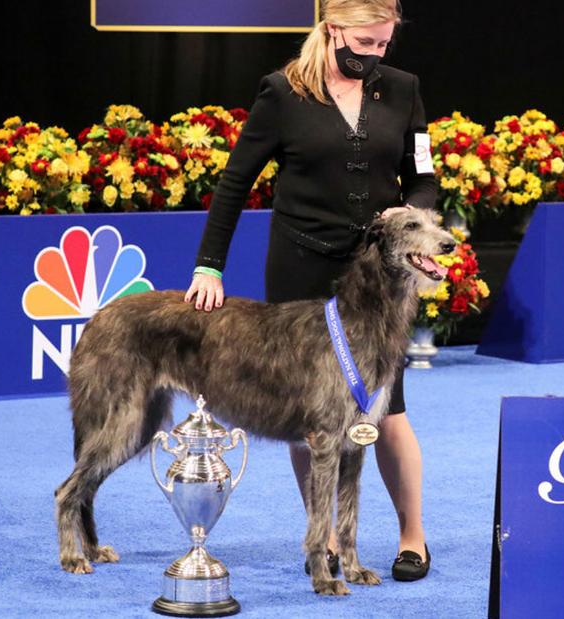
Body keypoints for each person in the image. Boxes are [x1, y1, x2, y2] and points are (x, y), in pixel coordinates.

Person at [184, 0, 437, 582]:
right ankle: (322, 538)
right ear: (331, 31)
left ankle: (411, 537)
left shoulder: (403, 89)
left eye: (384, 44)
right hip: (301, 268)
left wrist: (415, 208)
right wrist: (208, 266)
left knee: (387, 409)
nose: (375, 54)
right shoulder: (282, 92)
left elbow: (421, 172)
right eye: (365, 41)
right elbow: (234, 183)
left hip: (377, 275)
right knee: (312, 414)